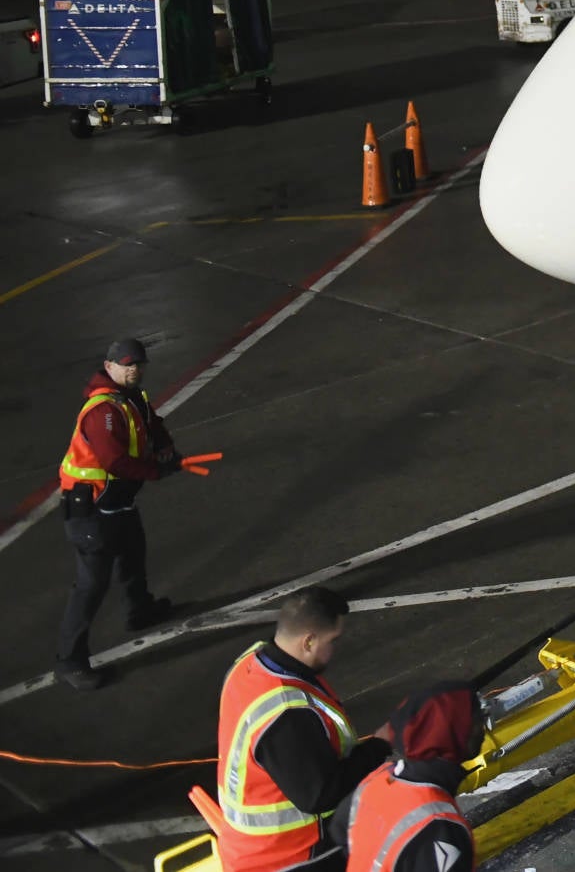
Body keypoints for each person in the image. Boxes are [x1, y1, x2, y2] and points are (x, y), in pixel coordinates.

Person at [213, 587, 388, 872]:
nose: (336, 649)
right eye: (333, 640)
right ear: (308, 641)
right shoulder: (286, 713)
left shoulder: (250, 663)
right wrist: (380, 745)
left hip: (248, 848)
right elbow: (319, 795)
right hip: (292, 856)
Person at [55, 337, 179, 689]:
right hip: (91, 509)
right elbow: (114, 461)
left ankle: (140, 610)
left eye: (138, 364)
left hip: (116, 500)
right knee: (91, 584)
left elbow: (152, 423)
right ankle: (70, 661)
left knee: (133, 554)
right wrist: (157, 469)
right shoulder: (103, 411)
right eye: (127, 365)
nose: (134, 370)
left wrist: (167, 447)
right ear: (109, 367)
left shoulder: (132, 397)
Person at [340, 682, 481, 872]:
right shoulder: (439, 826)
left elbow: (339, 832)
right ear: (452, 732)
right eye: (476, 719)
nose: (482, 727)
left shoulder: (376, 782)